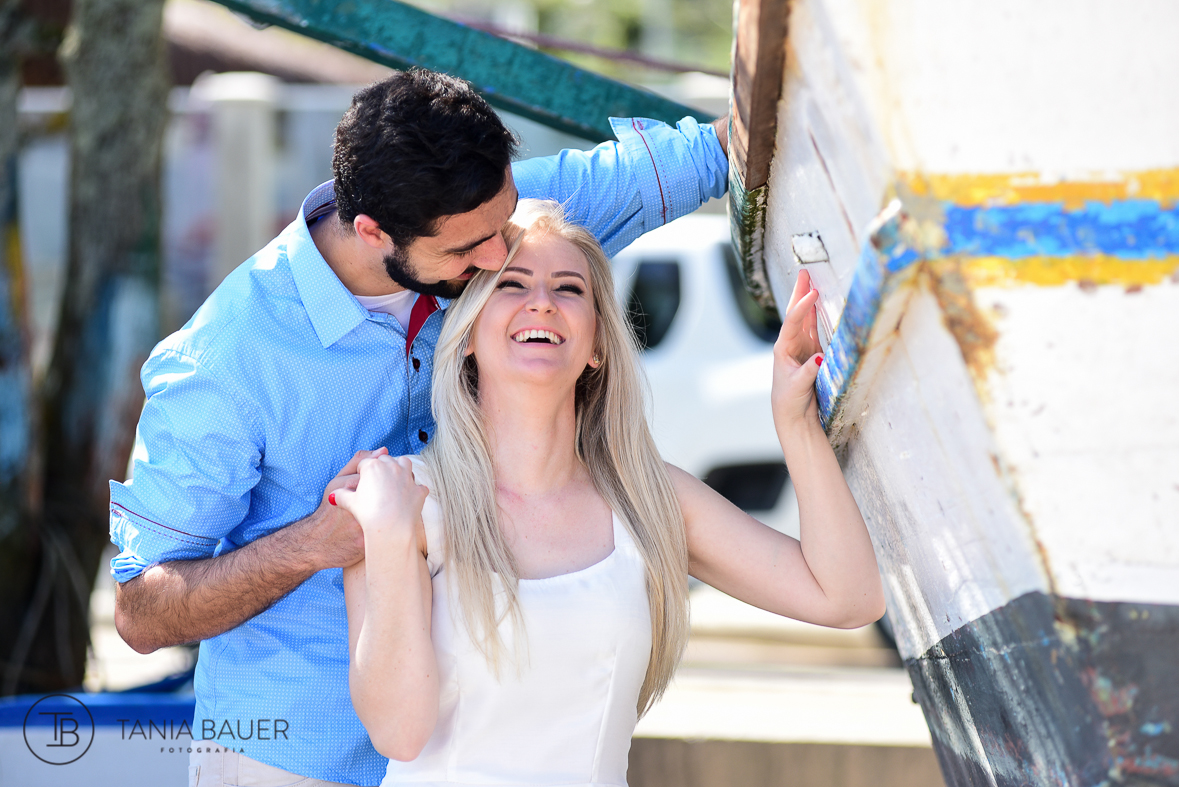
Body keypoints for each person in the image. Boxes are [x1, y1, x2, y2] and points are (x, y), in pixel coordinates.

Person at [107, 69, 729, 787]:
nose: (500, 259)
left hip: (461, 754)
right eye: (470, 253)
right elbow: (141, 610)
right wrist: (312, 544)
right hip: (294, 757)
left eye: (506, 223)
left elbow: (710, 156)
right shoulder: (226, 361)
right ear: (372, 231)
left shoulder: (477, 212)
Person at [333, 200, 885, 785]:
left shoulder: (647, 500)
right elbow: (398, 732)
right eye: (512, 283)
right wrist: (389, 538)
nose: (541, 301)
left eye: (568, 289)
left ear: (597, 345)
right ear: (467, 336)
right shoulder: (403, 502)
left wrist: (795, 425)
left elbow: (847, 598)